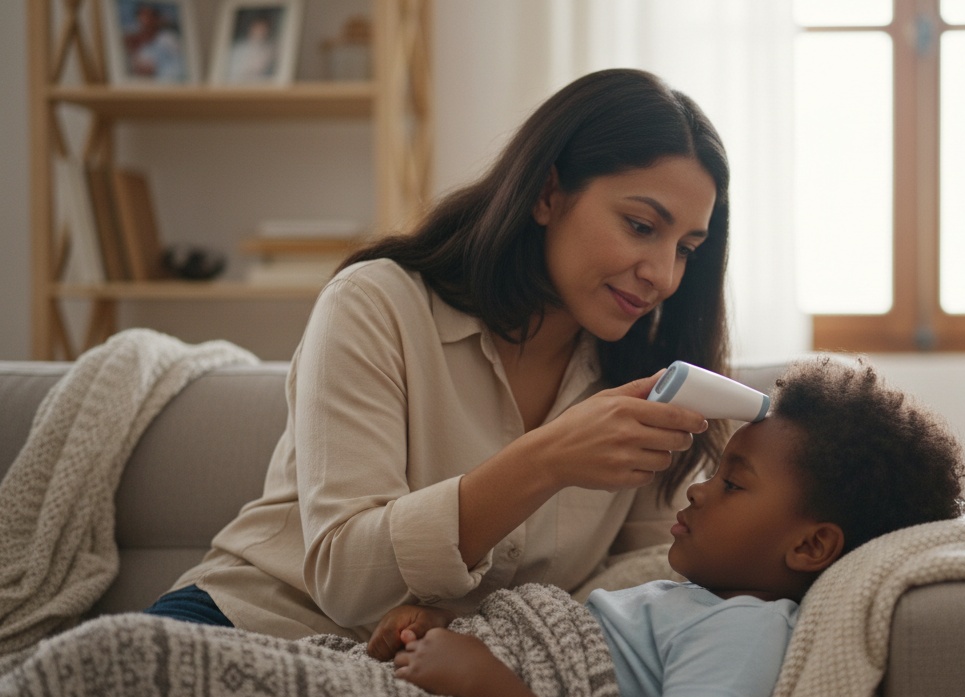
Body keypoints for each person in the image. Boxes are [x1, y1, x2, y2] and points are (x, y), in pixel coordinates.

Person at [144, 68, 734, 643]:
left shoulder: (651, 376)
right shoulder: (376, 305)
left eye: (686, 249)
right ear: (548, 194)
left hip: (444, 675)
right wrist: (545, 461)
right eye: (639, 226)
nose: (662, 274)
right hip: (256, 623)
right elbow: (345, 580)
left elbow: (650, 579)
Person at [379, 357, 965, 697]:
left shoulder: (744, 630)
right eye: (713, 473)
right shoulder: (691, 602)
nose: (698, 491)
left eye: (733, 486)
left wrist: (482, 677)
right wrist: (447, 635)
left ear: (811, 546)